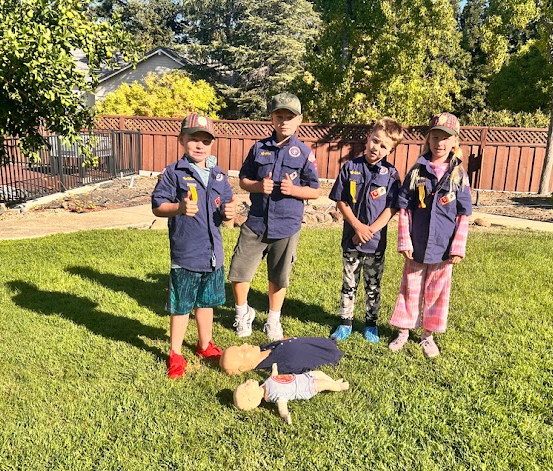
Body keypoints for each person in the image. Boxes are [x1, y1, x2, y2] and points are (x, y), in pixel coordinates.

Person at [228, 92, 321, 342]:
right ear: (272, 118)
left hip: (286, 225)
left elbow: (315, 190)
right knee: (239, 270)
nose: (284, 121)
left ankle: (273, 319)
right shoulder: (258, 148)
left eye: (290, 117)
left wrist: (294, 190)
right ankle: (243, 313)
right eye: (279, 116)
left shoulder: (304, 153)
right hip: (256, 222)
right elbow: (243, 180)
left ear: (299, 120)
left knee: (279, 276)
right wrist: (258, 186)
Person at [151, 114, 236, 378]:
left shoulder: (219, 175)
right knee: (181, 306)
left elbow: (227, 214)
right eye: (193, 139)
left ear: (212, 144)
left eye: (205, 141)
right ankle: (175, 353)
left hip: (213, 254)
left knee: (206, 302)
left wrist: (230, 214)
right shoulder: (173, 173)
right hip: (186, 253)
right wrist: (179, 207)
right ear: (181, 140)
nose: (199, 145)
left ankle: (204, 345)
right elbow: (158, 206)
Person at [388, 112, 472, 358]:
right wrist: (404, 240)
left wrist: (458, 247)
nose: (439, 143)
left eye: (445, 138)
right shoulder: (417, 172)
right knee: (410, 290)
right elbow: (404, 208)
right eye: (435, 137)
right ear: (428, 139)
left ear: (454, 141)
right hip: (417, 245)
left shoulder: (459, 176)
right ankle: (403, 331)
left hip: (443, 249)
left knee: (437, 293)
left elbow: (463, 214)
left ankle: (428, 336)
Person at [328, 118, 404, 343]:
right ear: (368, 137)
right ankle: (345, 322)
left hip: (375, 242)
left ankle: (371, 323)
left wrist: (369, 231)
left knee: (373, 285)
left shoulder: (391, 175)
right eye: (375, 141)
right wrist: (357, 226)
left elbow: (392, 208)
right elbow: (341, 200)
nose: (376, 148)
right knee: (349, 282)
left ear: (390, 150)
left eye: (383, 146)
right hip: (351, 239)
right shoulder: (350, 167)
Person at [233, 363, 349, 425]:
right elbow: (282, 406)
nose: (248, 381)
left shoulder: (265, 385)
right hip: (306, 388)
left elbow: (274, 378)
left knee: (320, 373)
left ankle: (334, 382)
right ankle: (339, 387)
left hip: (303, 378)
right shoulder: (274, 395)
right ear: (252, 397)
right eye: (247, 385)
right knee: (324, 384)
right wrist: (285, 415)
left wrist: (274, 370)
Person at [220, 337, 343, 375]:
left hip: (322, 344)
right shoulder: (280, 365)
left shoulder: (264, 348)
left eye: (240, 346)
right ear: (243, 367)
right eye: (242, 352)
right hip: (327, 353)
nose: (245, 345)